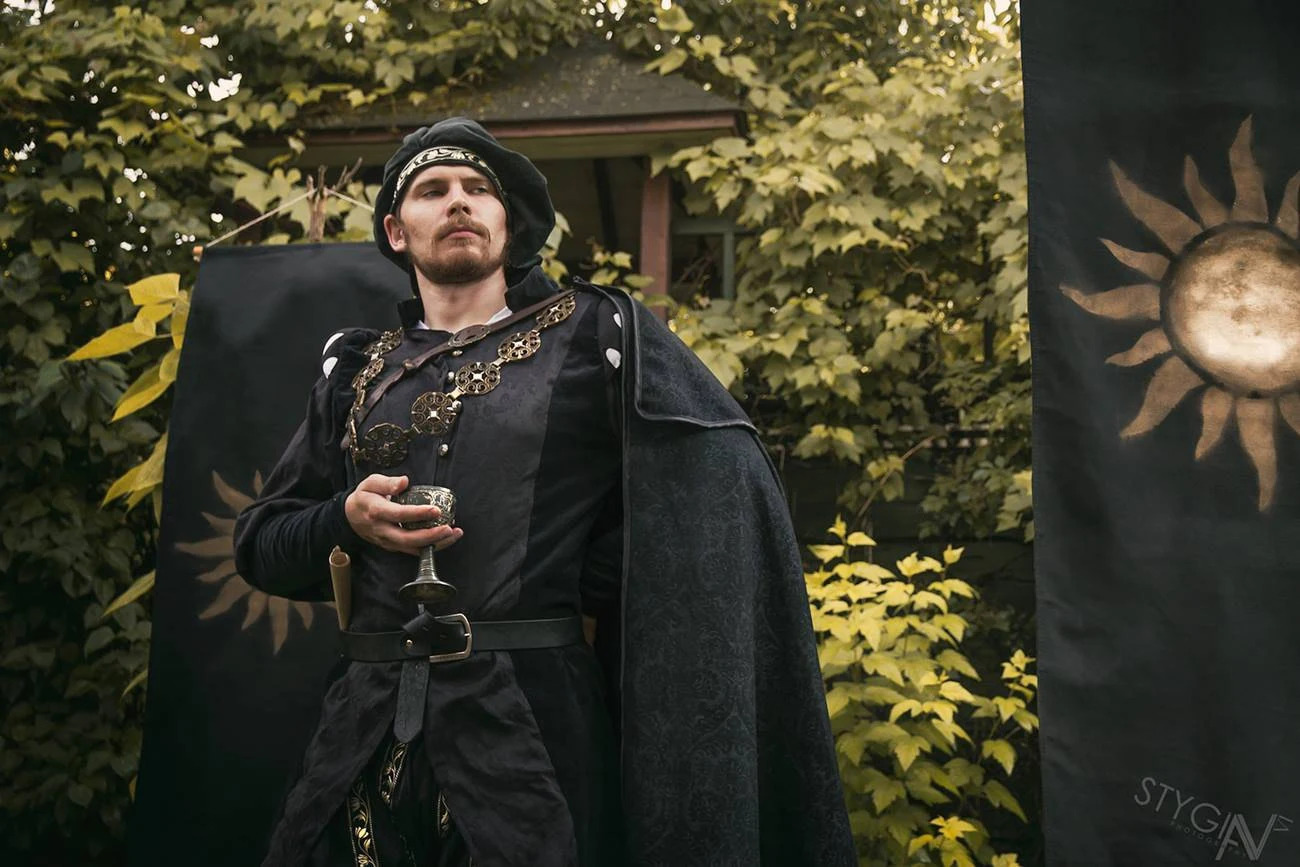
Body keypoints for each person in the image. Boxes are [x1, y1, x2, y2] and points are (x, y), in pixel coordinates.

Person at [234, 117, 854, 867]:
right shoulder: (357, 375)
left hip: (533, 740)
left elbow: (706, 499)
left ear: (511, 223)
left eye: (478, 188)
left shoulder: (594, 337)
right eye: (432, 190)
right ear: (397, 231)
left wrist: (566, 570)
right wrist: (346, 519)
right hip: (358, 739)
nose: (458, 201)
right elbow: (261, 546)